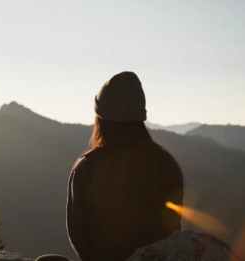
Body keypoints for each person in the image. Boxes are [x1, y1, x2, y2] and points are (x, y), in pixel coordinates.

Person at [66, 71, 184, 261]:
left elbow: (80, 236)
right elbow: (172, 230)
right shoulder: (166, 164)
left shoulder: (87, 166)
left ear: (101, 118)